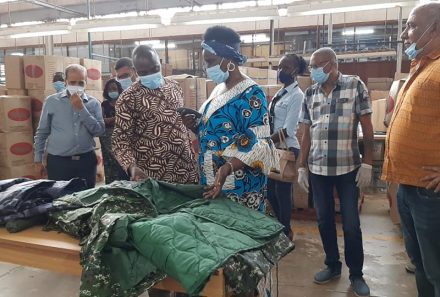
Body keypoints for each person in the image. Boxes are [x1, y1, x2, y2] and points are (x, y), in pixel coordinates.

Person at [182, 25, 279, 296]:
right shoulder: (218, 90)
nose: (207, 67)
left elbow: (259, 143)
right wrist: (197, 125)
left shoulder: (252, 94)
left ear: (228, 59)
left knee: (241, 253)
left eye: (211, 61)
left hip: (240, 187)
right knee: (220, 252)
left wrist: (227, 167)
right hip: (214, 182)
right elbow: (219, 130)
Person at [297, 47, 373, 296]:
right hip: (318, 169)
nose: (313, 71)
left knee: (351, 224)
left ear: (331, 64)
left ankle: (356, 274)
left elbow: (367, 126)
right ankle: (332, 264)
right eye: (311, 67)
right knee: (324, 220)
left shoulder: (354, 85)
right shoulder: (310, 93)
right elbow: (306, 133)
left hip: (347, 168)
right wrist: (301, 166)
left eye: (316, 66)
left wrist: (368, 162)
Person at [381, 3, 440, 296]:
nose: (405, 33)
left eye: (413, 25)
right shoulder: (423, 66)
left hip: (430, 192)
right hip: (408, 185)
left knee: (436, 269)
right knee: (420, 264)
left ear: (436, 28)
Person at [112, 45, 198, 184]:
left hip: (186, 170)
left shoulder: (174, 87)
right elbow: (120, 141)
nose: (151, 74)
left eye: (155, 69)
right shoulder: (128, 98)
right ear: (134, 71)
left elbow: (180, 126)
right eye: (144, 72)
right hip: (153, 175)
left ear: (160, 64)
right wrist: (131, 167)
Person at [34, 64, 105, 189]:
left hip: (86, 161)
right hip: (58, 162)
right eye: (72, 82)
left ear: (86, 82)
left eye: (81, 83)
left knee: (86, 199)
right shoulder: (52, 101)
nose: (76, 86)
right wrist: (38, 159)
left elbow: (99, 131)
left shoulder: (94, 104)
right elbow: (42, 132)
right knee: (59, 199)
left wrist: (82, 109)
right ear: (65, 82)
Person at [267, 53, 307, 240]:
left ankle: (286, 231)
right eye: (279, 67)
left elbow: (288, 129)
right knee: (270, 191)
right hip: (273, 147)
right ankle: (279, 227)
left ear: (296, 70)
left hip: (286, 148)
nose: (280, 71)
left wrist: (266, 142)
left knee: (281, 193)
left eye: (285, 67)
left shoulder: (297, 96)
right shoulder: (280, 93)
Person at [100, 78, 128, 184]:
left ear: (119, 89)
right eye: (110, 89)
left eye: (114, 89)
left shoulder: (123, 102)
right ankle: (111, 185)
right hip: (107, 136)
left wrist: (111, 120)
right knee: (110, 162)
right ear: (106, 91)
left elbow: (127, 119)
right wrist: (117, 118)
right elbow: (102, 120)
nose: (112, 91)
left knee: (121, 160)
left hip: (122, 135)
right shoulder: (104, 104)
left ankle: (124, 183)